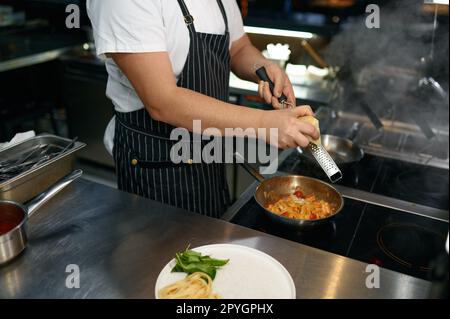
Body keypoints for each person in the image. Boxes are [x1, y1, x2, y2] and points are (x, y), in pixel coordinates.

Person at [86, 0, 319, 218]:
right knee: (161, 255)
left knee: (212, 247)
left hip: (210, 151)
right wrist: (264, 124)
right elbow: (162, 101)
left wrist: (263, 66)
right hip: (155, 164)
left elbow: (238, 47)